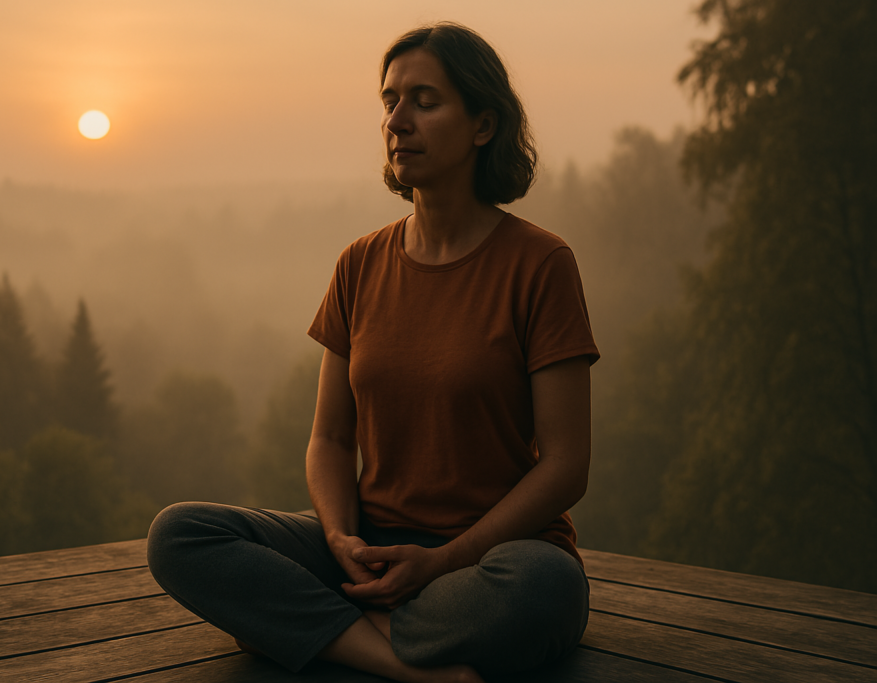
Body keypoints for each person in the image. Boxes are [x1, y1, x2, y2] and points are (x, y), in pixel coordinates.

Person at [147, 22, 598, 683]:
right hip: (366, 547)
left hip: (490, 559)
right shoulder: (360, 263)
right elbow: (330, 438)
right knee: (180, 535)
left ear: (482, 125)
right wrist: (338, 538)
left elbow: (566, 466)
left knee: (543, 587)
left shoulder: (541, 263)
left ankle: (318, 626)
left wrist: (445, 562)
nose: (397, 120)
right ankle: (397, 658)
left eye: (424, 100)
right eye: (389, 101)